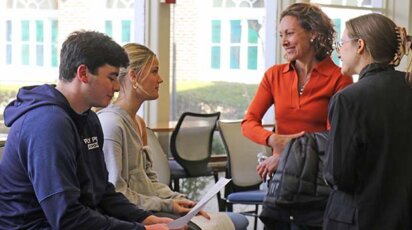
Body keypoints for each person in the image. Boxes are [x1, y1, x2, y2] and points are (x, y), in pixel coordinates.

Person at [0, 30, 181, 230]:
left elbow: (102, 191)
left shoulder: (89, 119)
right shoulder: (48, 124)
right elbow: (66, 217)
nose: (117, 87)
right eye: (111, 77)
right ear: (83, 73)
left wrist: (144, 218)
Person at [97, 43, 249, 230]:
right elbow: (116, 193)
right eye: (154, 71)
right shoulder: (111, 125)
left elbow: (150, 181)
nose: (160, 79)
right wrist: (167, 205)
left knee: (236, 221)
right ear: (134, 76)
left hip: (150, 209)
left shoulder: (139, 123)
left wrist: (178, 200)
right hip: (134, 216)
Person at [241, 3, 353, 230]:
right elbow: (249, 122)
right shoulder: (274, 75)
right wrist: (273, 140)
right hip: (280, 181)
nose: (283, 41)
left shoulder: (339, 79)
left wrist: (286, 155)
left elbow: (334, 136)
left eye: (290, 33)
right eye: (281, 35)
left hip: (318, 181)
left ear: (313, 33)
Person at [323, 13, 412, 230]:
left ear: (360, 45)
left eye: (342, 43)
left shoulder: (348, 99)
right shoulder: (408, 87)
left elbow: (339, 174)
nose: (339, 51)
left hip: (359, 217)